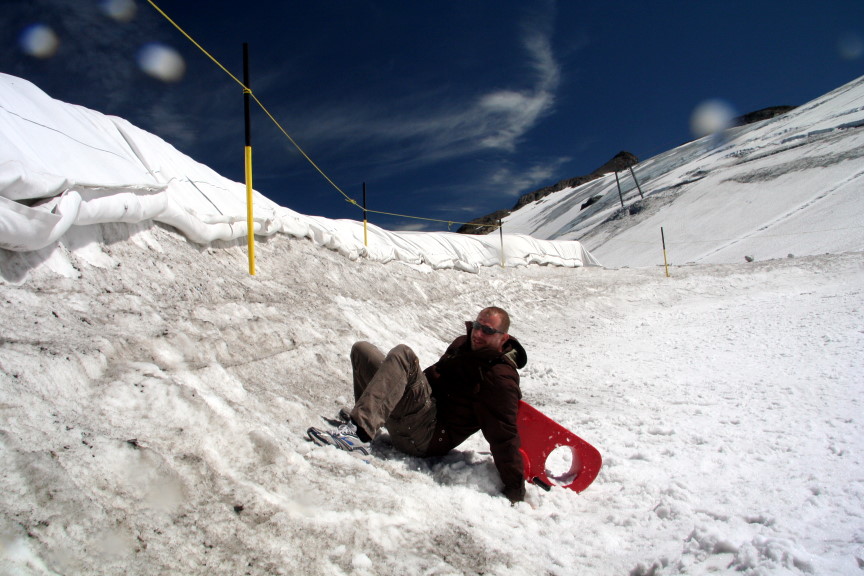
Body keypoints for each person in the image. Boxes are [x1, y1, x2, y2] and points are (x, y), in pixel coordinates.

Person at [308, 307, 528, 503]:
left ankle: (359, 435)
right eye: (478, 326)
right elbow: (431, 379)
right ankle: (363, 420)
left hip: (426, 437)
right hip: (419, 416)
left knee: (403, 355)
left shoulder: (499, 378)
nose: (478, 334)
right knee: (362, 350)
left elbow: (504, 435)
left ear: (503, 338)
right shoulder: (463, 344)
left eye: (488, 331)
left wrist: (515, 491)